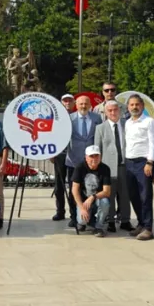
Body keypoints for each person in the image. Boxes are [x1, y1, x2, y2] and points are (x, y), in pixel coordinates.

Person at [93, 100, 131, 233]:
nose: (113, 112)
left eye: (115, 110)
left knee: (125, 195)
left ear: (119, 111)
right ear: (106, 113)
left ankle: (125, 220)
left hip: (125, 165)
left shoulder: (127, 125)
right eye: (110, 111)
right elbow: (97, 149)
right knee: (109, 195)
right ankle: (110, 221)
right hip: (108, 167)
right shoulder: (100, 128)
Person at [64, 95, 102, 228]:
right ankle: (74, 217)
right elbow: (64, 139)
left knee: (91, 189)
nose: (83, 106)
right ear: (76, 105)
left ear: (90, 105)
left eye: (86, 104)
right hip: (73, 160)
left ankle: (90, 218)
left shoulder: (97, 118)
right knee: (73, 191)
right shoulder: (69, 119)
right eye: (81, 104)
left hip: (91, 162)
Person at [124, 95, 154, 240]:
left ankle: (148, 228)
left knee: (145, 196)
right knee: (133, 196)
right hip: (129, 162)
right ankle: (141, 223)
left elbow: (153, 143)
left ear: (142, 106)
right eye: (131, 105)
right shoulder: (127, 123)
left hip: (143, 163)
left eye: (137, 104)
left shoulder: (149, 122)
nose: (134, 107)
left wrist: (150, 162)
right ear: (128, 107)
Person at [70, 145, 113, 238]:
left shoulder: (105, 168)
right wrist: (81, 207)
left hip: (97, 199)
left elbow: (107, 191)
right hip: (83, 201)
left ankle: (99, 227)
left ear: (100, 157)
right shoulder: (79, 167)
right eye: (91, 156)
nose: (94, 159)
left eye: (96, 156)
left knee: (105, 202)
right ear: (86, 157)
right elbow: (74, 189)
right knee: (82, 221)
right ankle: (88, 221)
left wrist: (92, 197)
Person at [53, 94, 76, 221]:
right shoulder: (56, 118)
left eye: (70, 101)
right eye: (65, 101)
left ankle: (74, 214)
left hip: (73, 155)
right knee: (59, 186)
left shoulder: (77, 117)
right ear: (61, 102)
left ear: (74, 103)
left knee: (74, 185)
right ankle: (60, 211)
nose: (67, 103)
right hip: (60, 155)